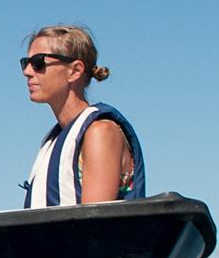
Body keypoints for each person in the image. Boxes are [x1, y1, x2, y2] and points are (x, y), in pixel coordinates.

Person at [19, 24, 145, 207]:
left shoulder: (100, 132)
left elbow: (95, 226)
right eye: (25, 62)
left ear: (75, 70)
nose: (27, 72)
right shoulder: (52, 141)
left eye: (38, 62)